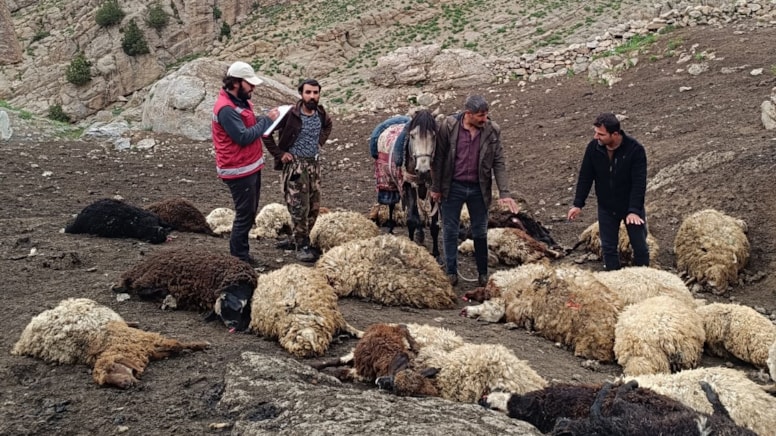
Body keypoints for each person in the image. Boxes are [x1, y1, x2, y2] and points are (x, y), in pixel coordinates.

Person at [430, 95, 519, 287]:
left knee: (480, 231)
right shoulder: (449, 126)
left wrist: (505, 193)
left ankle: (483, 273)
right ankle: (451, 272)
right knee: (450, 230)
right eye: (480, 115)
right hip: (452, 186)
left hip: (479, 188)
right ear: (468, 114)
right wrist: (436, 187)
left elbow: (499, 162)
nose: (484, 119)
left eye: (486, 115)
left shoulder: (492, 131)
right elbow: (438, 158)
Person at [211, 61, 279, 267]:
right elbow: (242, 136)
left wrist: (264, 119)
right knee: (244, 215)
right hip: (237, 169)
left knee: (248, 213)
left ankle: (241, 256)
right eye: (249, 84)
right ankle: (239, 259)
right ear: (236, 83)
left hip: (248, 166)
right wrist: (266, 121)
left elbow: (248, 124)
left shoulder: (239, 101)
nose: (253, 88)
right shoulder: (226, 109)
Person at [567, 112, 649, 271]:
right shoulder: (593, 148)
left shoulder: (635, 150)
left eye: (601, 134)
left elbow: (639, 183)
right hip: (606, 207)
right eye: (595, 132)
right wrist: (578, 204)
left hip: (630, 207)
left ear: (615, 134)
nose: (596, 137)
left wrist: (633, 211)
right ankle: (614, 279)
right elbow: (585, 176)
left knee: (640, 247)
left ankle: (645, 276)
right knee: (608, 248)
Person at [264, 79, 333, 262]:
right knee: (298, 206)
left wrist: (319, 142)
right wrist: (280, 154)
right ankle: (302, 245)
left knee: (314, 206)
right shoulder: (291, 114)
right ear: (301, 94)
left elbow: (328, 125)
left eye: (315, 92)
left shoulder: (320, 113)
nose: (312, 96)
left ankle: (299, 238)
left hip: (314, 166)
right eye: (308, 92)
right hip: (296, 167)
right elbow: (266, 133)